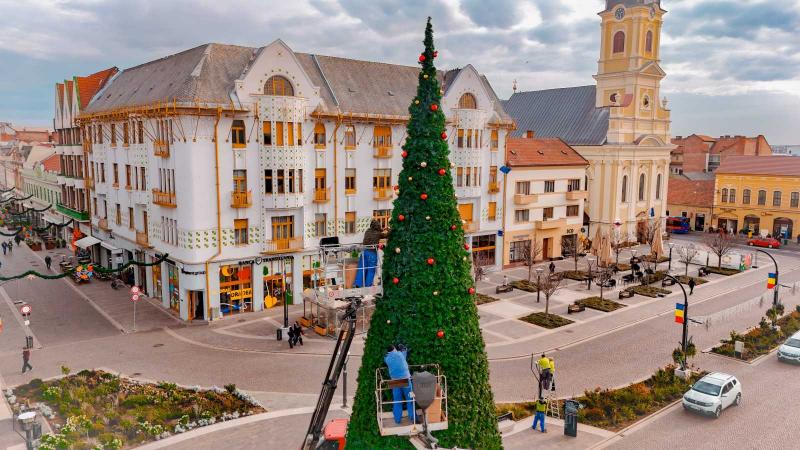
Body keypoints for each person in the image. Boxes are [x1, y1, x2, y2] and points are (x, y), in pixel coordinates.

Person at [384, 344, 415, 424]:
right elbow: (405, 350)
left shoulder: (387, 359)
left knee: (397, 401)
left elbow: (387, 357)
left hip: (395, 381)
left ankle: (397, 420)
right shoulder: (400, 354)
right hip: (405, 379)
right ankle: (413, 418)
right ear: (394, 348)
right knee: (410, 399)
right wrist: (403, 348)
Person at [354, 220, 386, 288]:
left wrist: (383, 229)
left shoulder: (367, 231)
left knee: (361, 269)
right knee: (371, 271)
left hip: (364, 252)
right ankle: (368, 286)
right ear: (378, 226)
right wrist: (390, 229)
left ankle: (358, 285)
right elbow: (386, 235)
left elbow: (377, 231)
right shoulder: (378, 233)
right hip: (372, 253)